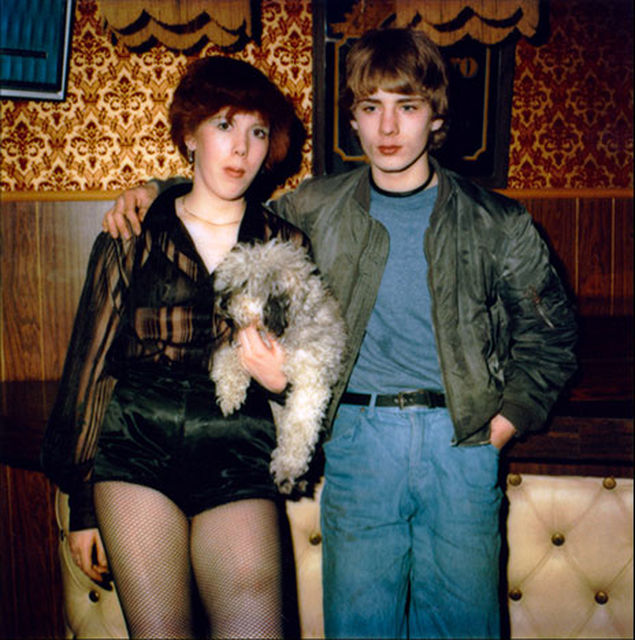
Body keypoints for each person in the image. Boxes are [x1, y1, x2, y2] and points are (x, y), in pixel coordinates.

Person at [102, 29, 577, 639]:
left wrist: (501, 425)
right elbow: (229, 200)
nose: (388, 128)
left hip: (459, 444)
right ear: (352, 119)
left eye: (407, 107)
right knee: (358, 628)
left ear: (435, 118)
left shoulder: (498, 223)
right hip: (355, 441)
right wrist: (155, 192)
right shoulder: (315, 209)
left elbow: (552, 342)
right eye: (370, 107)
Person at [41, 56, 313, 639]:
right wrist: (82, 506)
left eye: (257, 131)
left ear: (272, 148)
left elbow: (311, 373)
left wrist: (283, 378)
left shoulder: (287, 244)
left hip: (237, 453)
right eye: (223, 124)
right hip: (135, 451)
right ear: (189, 135)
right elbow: (90, 369)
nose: (240, 148)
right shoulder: (132, 232)